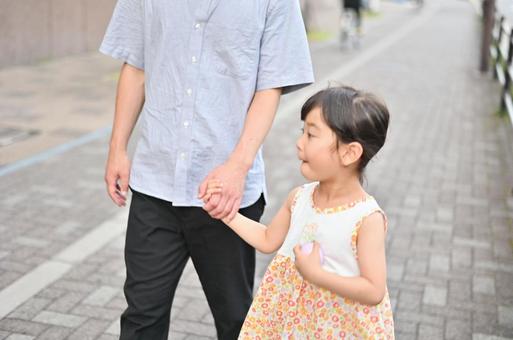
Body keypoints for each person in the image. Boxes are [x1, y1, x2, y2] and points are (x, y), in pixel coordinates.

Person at [99, 0, 314, 339]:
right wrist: (117, 149)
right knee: (142, 316)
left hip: (227, 197)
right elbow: (136, 66)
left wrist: (237, 167)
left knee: (235, 320)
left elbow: (269, 86)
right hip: (156, 182)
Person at [202, 85, 395, 339]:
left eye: (311, 135)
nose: (299, 143)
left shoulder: (366, 218)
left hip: (337, 330)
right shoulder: (300, 198)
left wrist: (317, 275)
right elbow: (267, 239)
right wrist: (226, 213)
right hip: (292, 325)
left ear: (350, 153)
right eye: (302, 131)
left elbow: (373, 290)